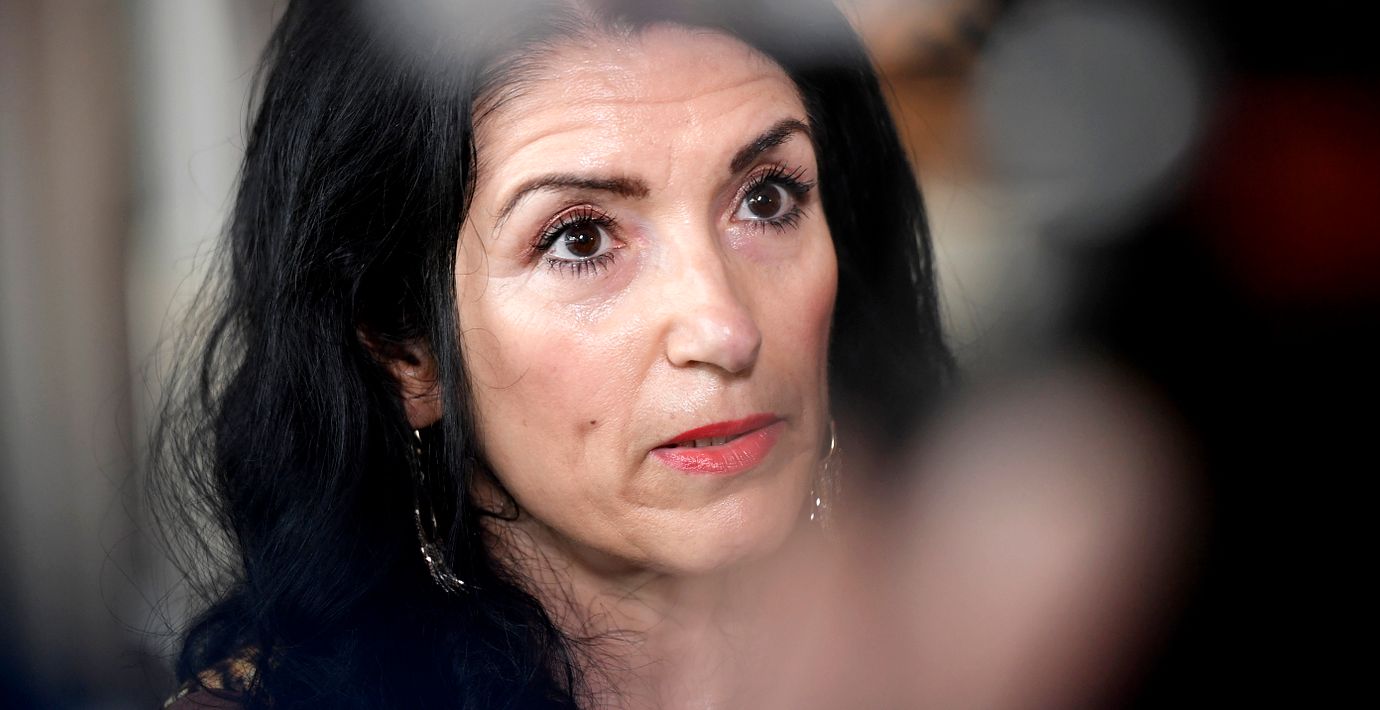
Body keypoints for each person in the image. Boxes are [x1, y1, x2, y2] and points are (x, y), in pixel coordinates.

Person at [152, 0, 951, 707]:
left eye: (767, 199)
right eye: (581, 239)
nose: (726, 330)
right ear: (407, 350)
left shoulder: (986, 660)